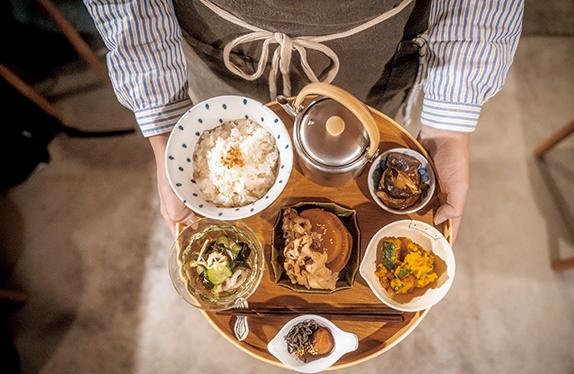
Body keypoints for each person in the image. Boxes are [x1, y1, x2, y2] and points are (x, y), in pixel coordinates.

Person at [84, 0, 523, 238]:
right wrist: (164, 127)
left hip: (374, 57)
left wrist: (448, 128)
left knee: (364, 152)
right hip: (220, 48)